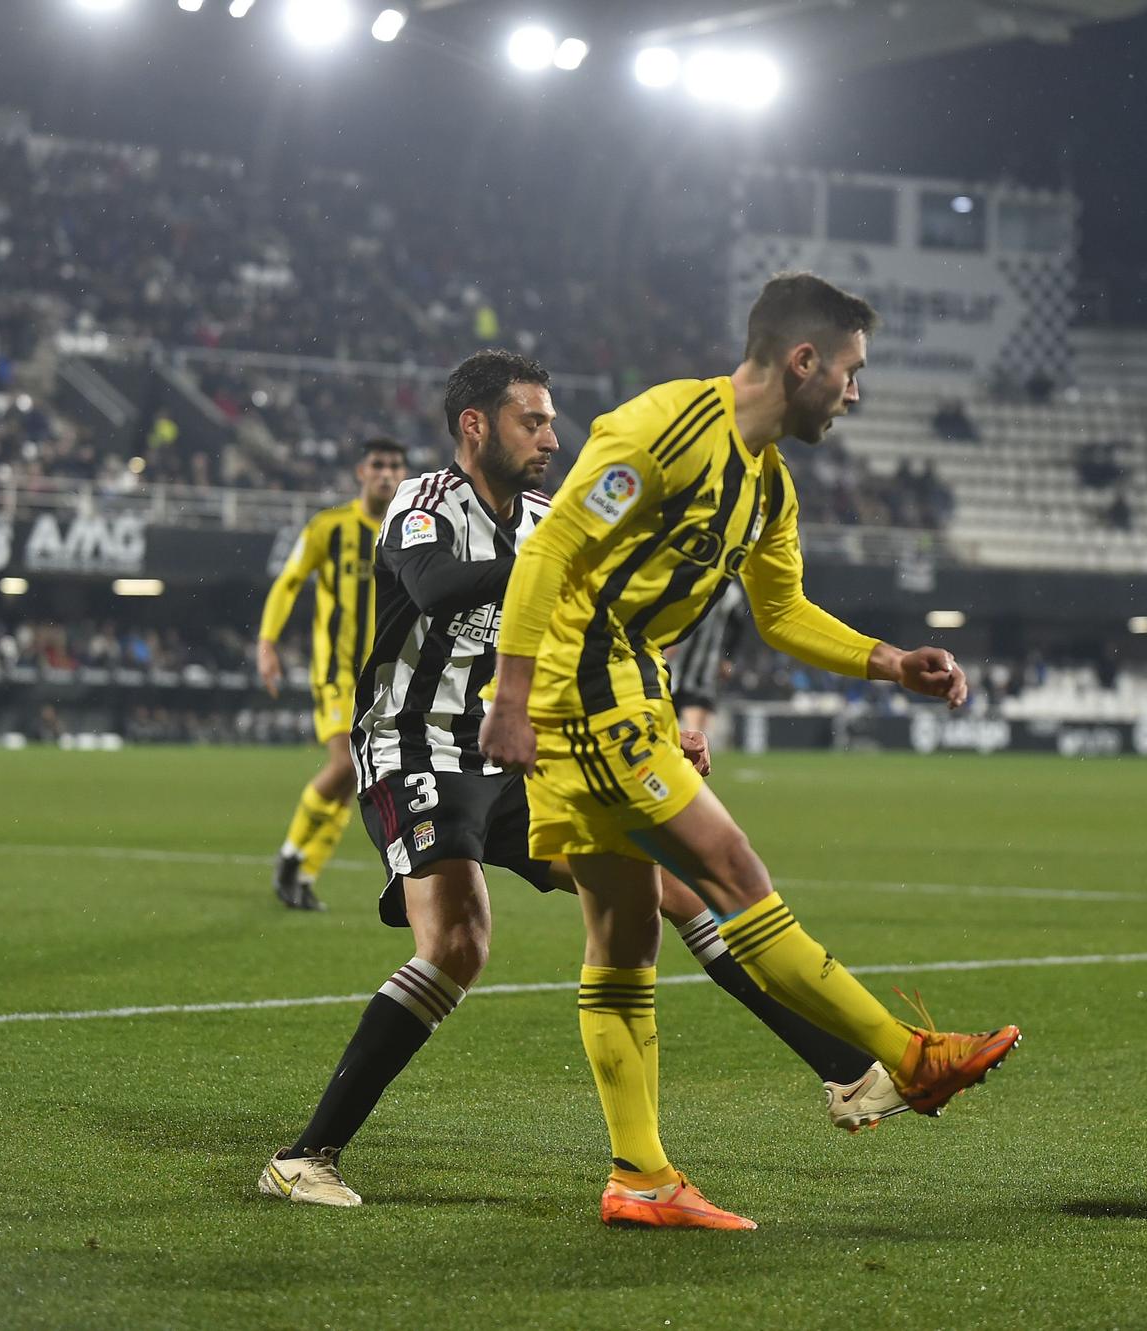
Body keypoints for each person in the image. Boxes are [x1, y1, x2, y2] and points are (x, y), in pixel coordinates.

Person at [260, 351, 906, 1210]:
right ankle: (304, 1158)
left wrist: (663, 716)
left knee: (675, 890)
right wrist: (557, 560)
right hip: (419, 747)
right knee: (457, 944)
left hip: (524, 749)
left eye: (554, 421)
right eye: (533, 420)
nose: (553, 438)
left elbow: (612, 628)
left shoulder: (546, 516)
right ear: (475, 426)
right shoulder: (422, 504)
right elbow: (437, 585)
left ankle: (846, 1073)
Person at [481, 272, 1021, 1232]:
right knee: (731, 869)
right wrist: (514, 701)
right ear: (802, 361)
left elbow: (782, 612)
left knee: (626, 934)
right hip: (582, 688)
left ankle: (639, 1179)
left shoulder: (768, 486)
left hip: (627, 688)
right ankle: (908, 1058)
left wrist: (891, 662)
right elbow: (548, 551)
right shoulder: (662, 429)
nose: (855, 394)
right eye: (850, 374)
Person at [257, 439, 409, 910]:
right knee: (344, 765)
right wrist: (267, 642)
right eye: (378, 465)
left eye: (394, 467)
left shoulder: (412, 530)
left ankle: (302, 873)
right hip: (338, 672)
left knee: (357, 779)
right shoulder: (331, 527)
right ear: (361, 472)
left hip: (387, 679)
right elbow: (289, 582)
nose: (386, 474)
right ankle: (289, 856)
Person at [667, 579, 749, 739]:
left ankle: (693, 758)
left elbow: (738, 626)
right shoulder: (690, 578)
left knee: (694, 729)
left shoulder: (730, 592)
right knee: (668, 723)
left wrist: (728, 658)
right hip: (675, 664)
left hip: (704, 669)